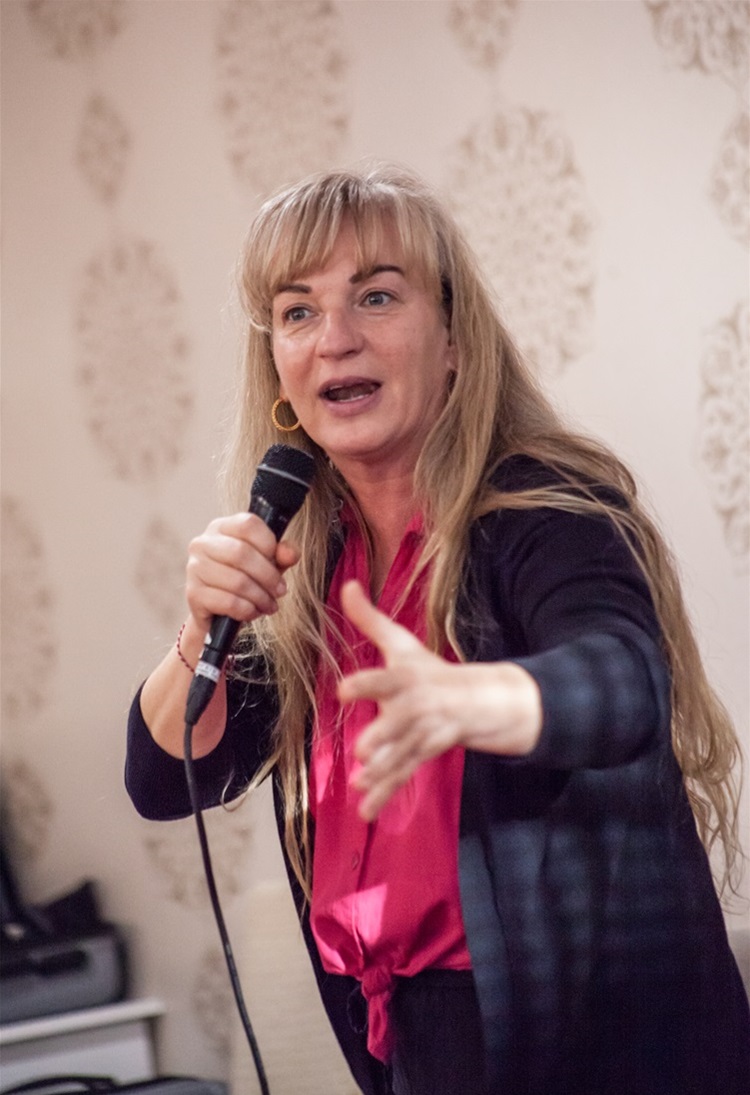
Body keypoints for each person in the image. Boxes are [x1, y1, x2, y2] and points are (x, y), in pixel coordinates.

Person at [125, 163, 750, 1095]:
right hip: (407, 1050)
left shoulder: (545, 507)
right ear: (280, 368)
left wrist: (475, 698)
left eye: (377, 296)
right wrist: (199, 626)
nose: (335, 337)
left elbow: (623, 682)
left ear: (454, 339)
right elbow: (162, 778)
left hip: (602, 1054)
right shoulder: (308, 565)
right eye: (298, 311)